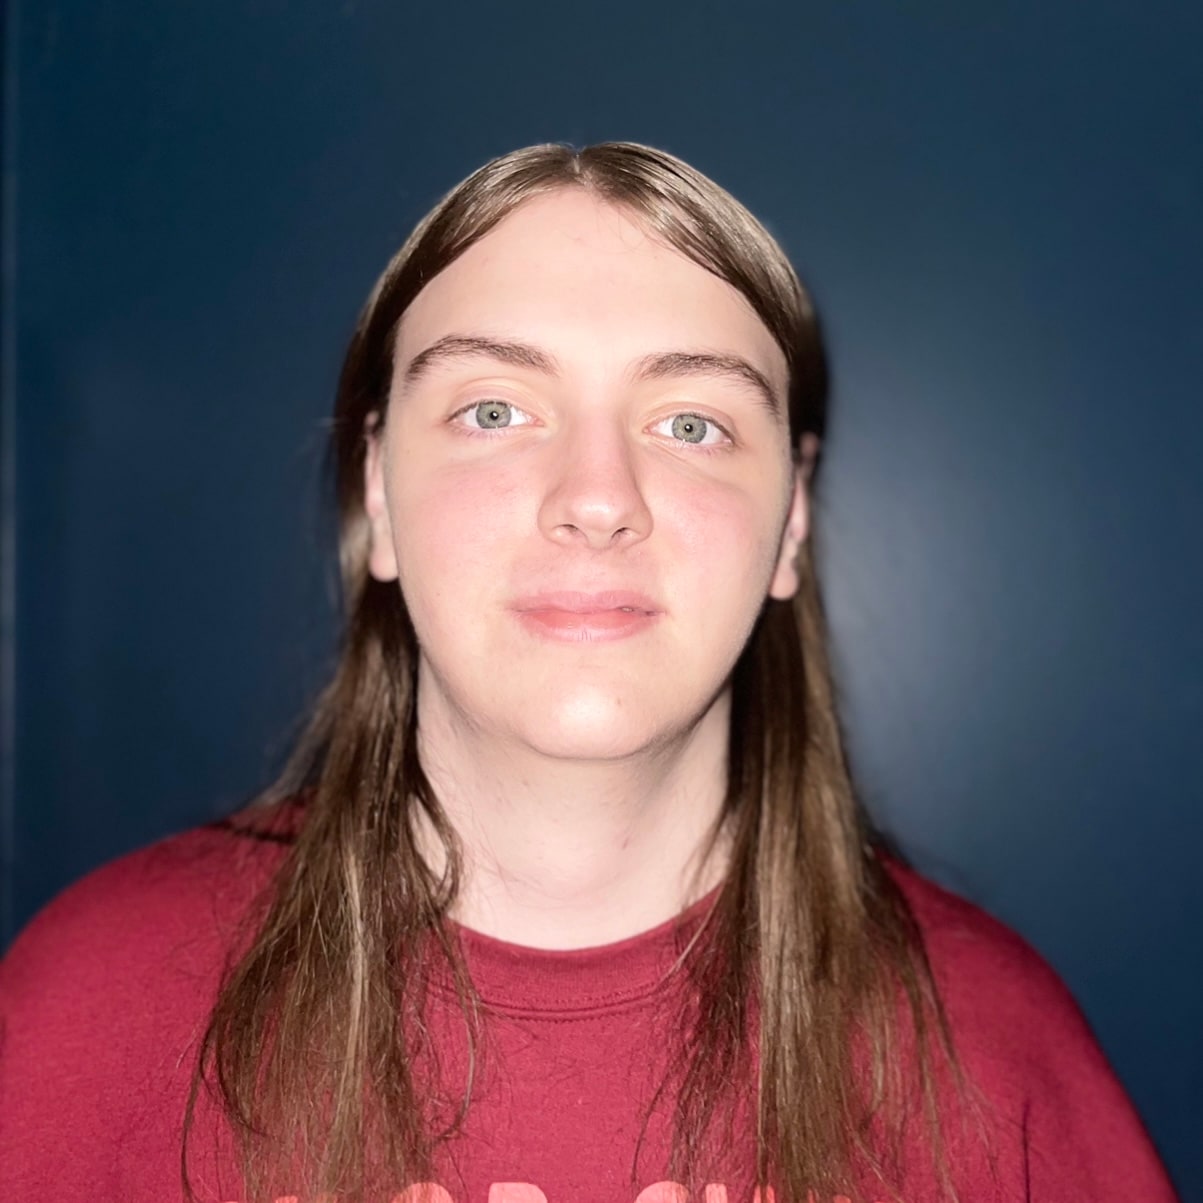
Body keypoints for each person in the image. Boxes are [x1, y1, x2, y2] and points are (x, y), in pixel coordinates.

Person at [0, 143, 1178, 1203]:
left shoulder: (990, 1051)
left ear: (793, 520)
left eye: (692, 424)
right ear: (377, 492)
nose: (598, 498)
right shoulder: (87, 1013)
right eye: (497, 408)